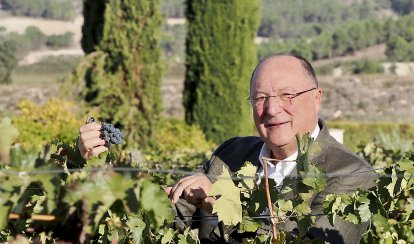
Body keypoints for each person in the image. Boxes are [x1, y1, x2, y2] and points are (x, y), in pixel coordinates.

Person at [78, 53, 376, 243]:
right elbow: (159, 219)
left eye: (287, 95)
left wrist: (225, 207)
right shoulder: (231, 154)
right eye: (260, 98)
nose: (271, 109)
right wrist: (103, 170)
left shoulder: (351, 174)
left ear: (316, 97)